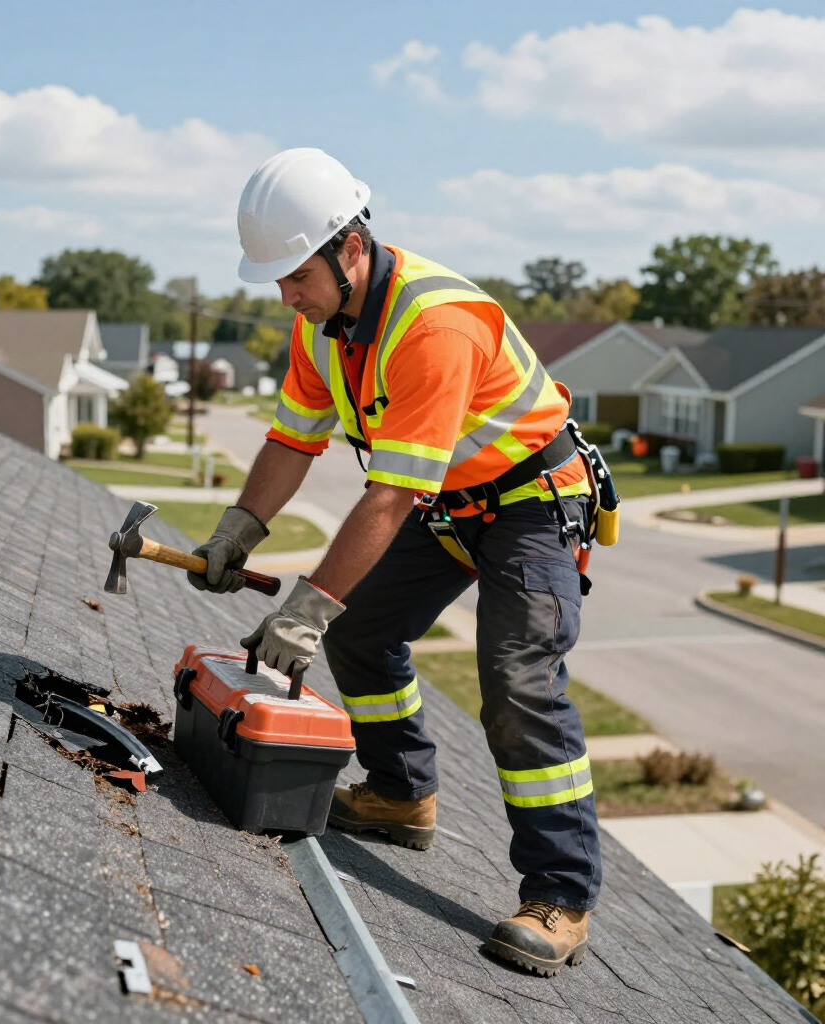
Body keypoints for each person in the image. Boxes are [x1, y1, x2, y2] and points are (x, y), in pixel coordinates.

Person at [188, 148, 600, 977]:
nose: (285, 296)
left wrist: (306, 608)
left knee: (519, 679)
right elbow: (290, 441)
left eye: (295, 274)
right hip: (453, 503)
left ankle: (562, 896)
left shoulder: (433, 323)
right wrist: (240, 528)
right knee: (365, 629)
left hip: (532, 501)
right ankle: (402, 794)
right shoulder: (323, 325)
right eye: (276, 280)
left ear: (349, 249)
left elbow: (390, 496)